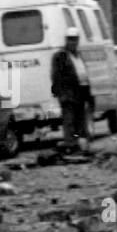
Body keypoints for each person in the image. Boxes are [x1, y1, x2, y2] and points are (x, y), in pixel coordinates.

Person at [50, 27, 92, 156]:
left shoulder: (78, 55)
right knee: (69, 120)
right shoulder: (61, 56)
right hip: (67, 92)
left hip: (80, 90)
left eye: (75, 39)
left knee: (80, 119)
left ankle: (79, 145)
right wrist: (60, 92)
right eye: (70, 39)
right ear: (66, 40)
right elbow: (56, 75)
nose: (73, 42)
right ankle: (71, 145)